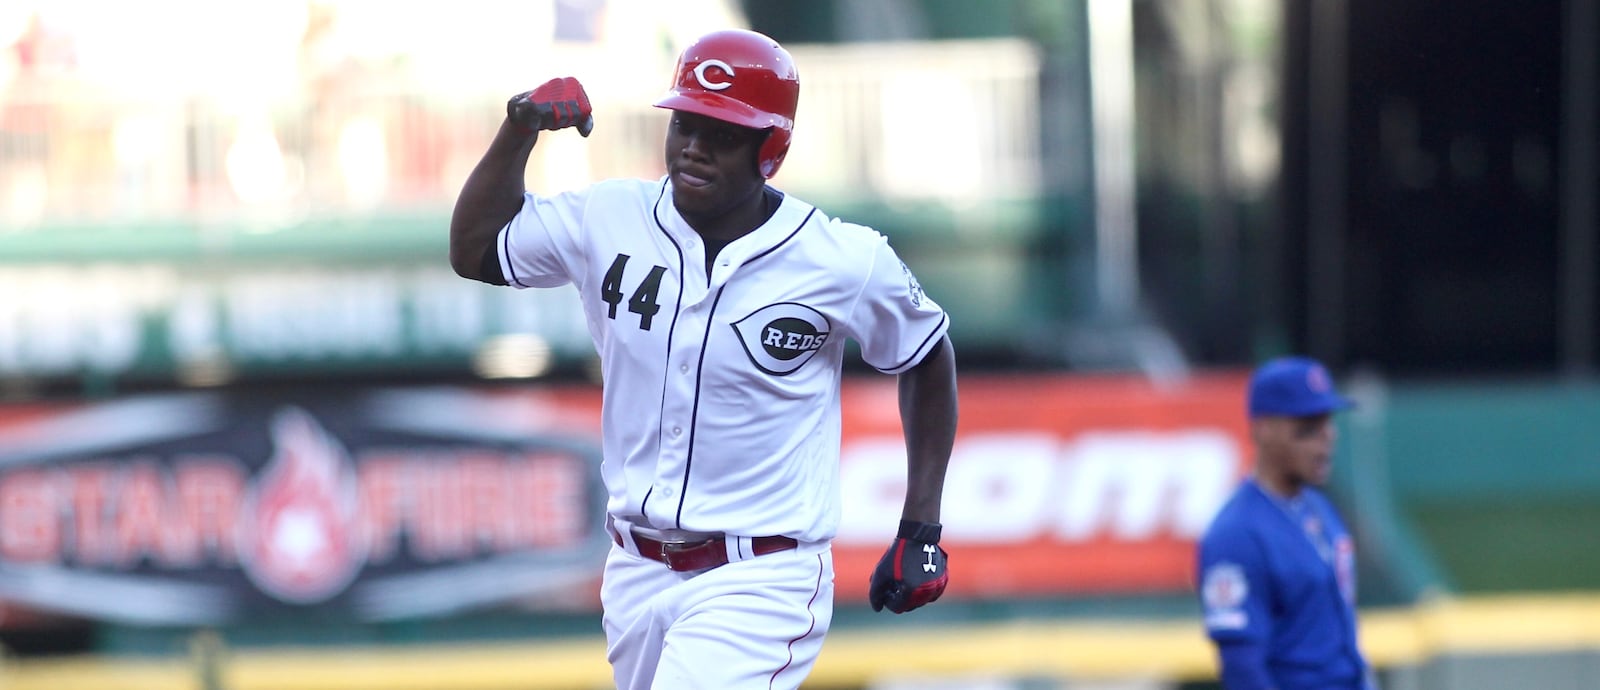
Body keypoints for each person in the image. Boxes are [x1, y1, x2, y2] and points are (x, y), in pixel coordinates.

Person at [447, 28, 959, 690]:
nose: (693, 145)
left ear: (769, 148)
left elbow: (925, 353)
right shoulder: (610, 216)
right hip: (635, 567)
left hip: (762, 574)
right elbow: (476, 249)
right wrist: (518, 130)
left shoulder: (842, 258)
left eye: (721, 132)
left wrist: (920, 526)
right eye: (685, 123)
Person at [1196, 356, 1377, 690]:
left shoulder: (1319, 508)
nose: (1326, 437)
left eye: (1328, 422)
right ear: (1264, 429)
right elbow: (1242, 669)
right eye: (1307, 426)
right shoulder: (1237, 533)